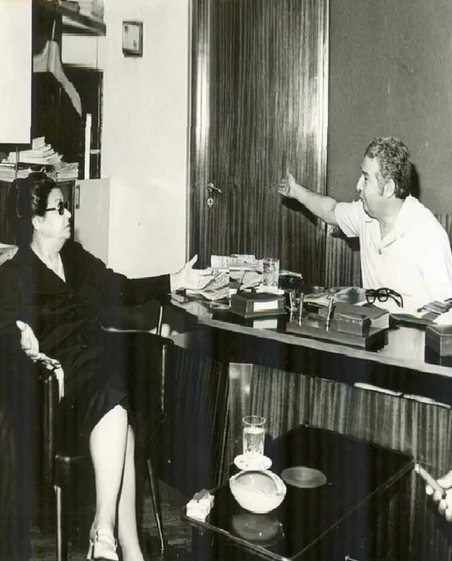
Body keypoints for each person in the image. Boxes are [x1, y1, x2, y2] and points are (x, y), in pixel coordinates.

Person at [0, 172, 210, 561]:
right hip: (58, 396)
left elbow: (120, 287)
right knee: (116, 402)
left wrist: (174, 279)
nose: (69, 214)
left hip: (95, 377)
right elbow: (4, 331)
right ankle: (108, 534)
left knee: (119, 416)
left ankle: (117, 542)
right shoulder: (13, 275)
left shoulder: (75, 258)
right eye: (60, 208)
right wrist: (20, 339)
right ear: (37, 221)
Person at [278, 136, 452, 311]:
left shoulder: (429, 235)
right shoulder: (365, 213)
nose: (358, 185)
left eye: (366, 178)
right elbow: (330, 211)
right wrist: (295, 191)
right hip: (372, 324)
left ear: (388, 188)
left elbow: (447, 312)